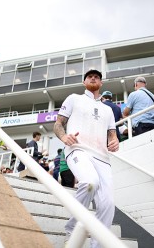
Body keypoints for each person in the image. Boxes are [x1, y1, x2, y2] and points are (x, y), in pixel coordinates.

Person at [53, 69, 119, 248]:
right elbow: (58, 124)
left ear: (101, 83)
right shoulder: (74, 98)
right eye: (90, 76)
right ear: (84, 82)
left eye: (97, 77)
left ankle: (97, 246)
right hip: (77, 150)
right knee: (90, 182)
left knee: (108, 205)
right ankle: (73, 228)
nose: (93, 78)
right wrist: (64, 137)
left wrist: (114, 142)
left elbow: (112, 135)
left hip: (102, 157)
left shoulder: (108, 109)